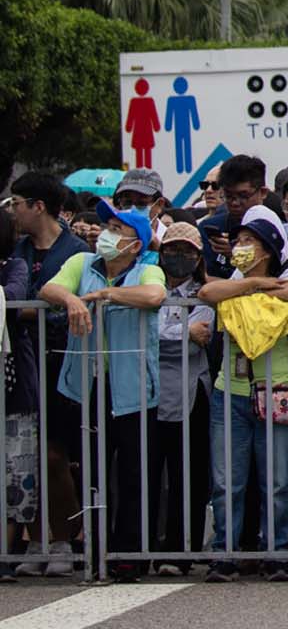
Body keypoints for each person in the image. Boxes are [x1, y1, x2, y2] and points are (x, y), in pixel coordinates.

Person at [39, 202, 168, 579]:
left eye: (117, 228)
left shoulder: (148, 268)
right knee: (92, 472)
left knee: (133, 472)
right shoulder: (83, 264)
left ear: (135, 243)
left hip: (133, 388)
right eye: (107, 225)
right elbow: (49, 288)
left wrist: (105, 297)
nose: (106, 233)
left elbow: (153, 297)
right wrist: (73, 299)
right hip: (86, 385)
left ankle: (129, 554)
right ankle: (96, 550)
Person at [197, 208, 288, 582]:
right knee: (227, 480)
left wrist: (259, 286)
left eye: (249, 243)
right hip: (229, 392)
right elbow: (208, 290)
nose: (240, 248)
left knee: (277, 482)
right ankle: (224, 554)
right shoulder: (233, 285)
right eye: (239, 241)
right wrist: (252, 285)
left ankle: (276, 553)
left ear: (268, 252)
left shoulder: (284, 285)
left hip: (278, 392)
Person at [10, 172, 86, 570]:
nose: (13, 212)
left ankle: (65, 539)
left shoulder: (77, 250)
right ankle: (37, 541)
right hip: (21, 362)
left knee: (57, 454)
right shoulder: (16, 250)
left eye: (16, 204)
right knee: (26, 456)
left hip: (62, 359)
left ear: (38, 206)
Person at [144, 220, 210, 574]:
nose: (178, 257)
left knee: (190, 474)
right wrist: (181, 331)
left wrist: (171, 333)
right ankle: (145, 549)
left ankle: (181, 551)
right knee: (151, 472)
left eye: (187, 251)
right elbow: (147, 335)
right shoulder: (147, 287)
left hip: (191, 390)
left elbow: (203, 331)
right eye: (171, 250)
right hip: (150, 389)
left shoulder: (205, 292)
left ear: (198, 257)